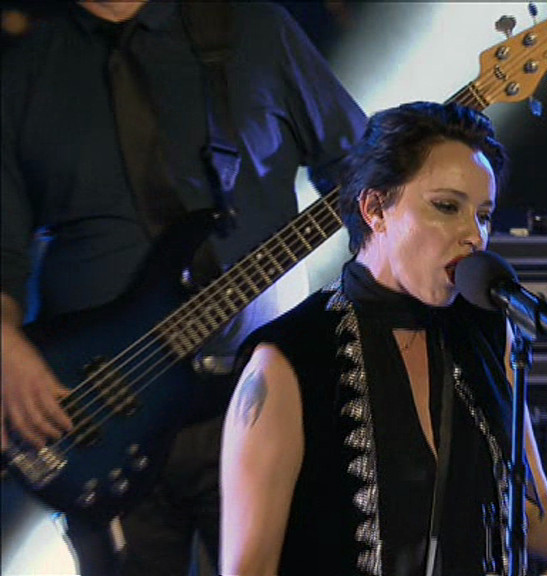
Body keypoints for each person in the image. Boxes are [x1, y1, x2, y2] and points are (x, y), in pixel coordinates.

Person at [220, 101, 547, 575]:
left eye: (484, 215)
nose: (474, 235)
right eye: (447, 207)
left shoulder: (487, 329)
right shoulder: (287, 360)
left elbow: (532, 516)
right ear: (375, 208)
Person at [1, 1, 366, 574]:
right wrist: (4, 345)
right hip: (99, 416)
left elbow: (364, 174)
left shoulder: (254, 29)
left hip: (260, 398)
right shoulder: (25, 67)